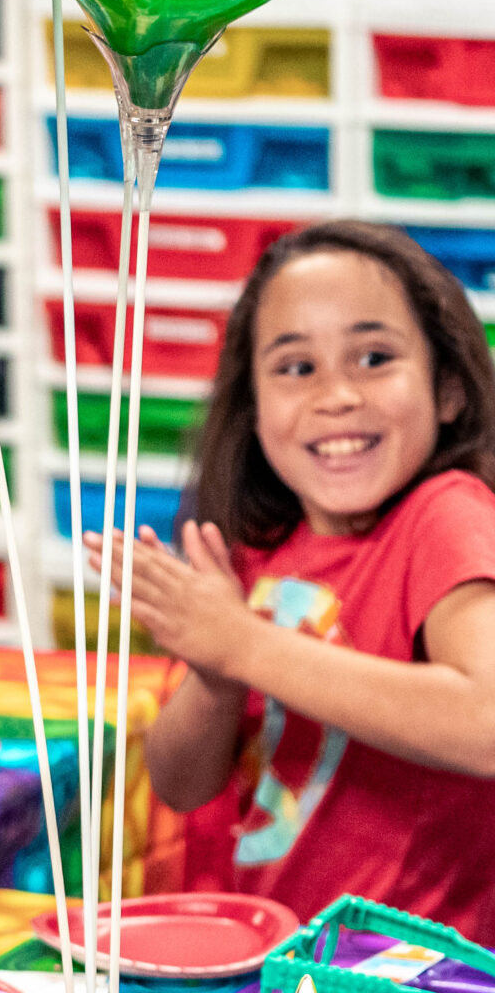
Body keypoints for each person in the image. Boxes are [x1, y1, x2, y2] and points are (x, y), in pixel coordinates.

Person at [98, 222, 495, 936]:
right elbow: (181, 786)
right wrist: (216, 674)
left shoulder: (447, 514)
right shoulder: (264, 549)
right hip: (288, 957)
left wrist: (245, 646)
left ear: (448, 391)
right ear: (253, 411)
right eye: (296, 367)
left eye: (374, 358)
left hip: (414, 977)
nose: (336, 395)